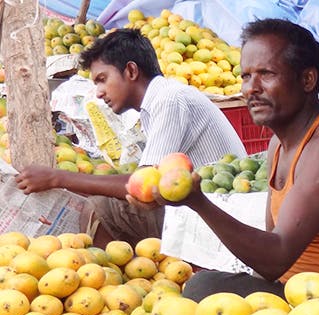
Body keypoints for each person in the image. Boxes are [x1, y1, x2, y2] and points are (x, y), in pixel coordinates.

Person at [145, 19, 319, 301]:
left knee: (205, 288)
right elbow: (270, 260)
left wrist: (199, 202)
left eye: (266, 74)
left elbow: (275, 258)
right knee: (208, 287)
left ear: (307, 80)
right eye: (246, 76)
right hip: (305, 295)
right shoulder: (278, 145)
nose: (251, 88)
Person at [14, 29, 247, 248]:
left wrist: (57, 178)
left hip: (220, 217)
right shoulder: (158, 102)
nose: (98, 92)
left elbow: (145, 186)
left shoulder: (169, 100)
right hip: (206, 207)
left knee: (103, 208)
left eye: (102, 79)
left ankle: (118, 284)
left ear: (131, 71)